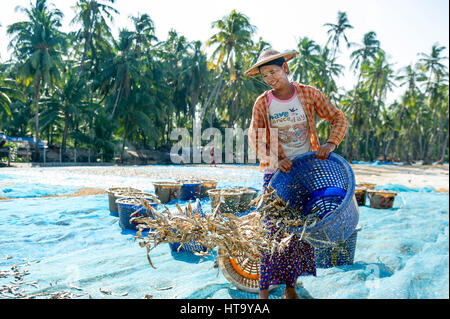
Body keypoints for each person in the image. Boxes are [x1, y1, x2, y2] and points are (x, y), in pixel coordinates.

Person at [246, 49, 348, 299]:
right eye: (264, 75)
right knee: (271, 231)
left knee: (298, 231)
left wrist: (330, 144)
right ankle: (263, 293)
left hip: (306, 172)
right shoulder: (263, 102)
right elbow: (255, 137)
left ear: (286, 68)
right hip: (276, 175)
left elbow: (339, 118)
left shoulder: (308, 94)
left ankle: (290, 289)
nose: (270, 78)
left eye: (273, 72)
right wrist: (276, 159)